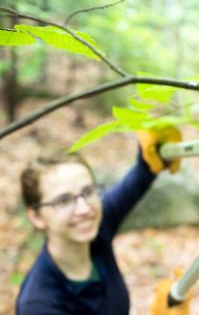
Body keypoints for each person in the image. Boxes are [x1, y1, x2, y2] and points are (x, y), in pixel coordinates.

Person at [15, 127, 183, 315]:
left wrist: (157, 148)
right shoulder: (39, 304)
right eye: (64, 200)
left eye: (87, 192)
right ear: (36, 217)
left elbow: (142, 173)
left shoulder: (96, 228)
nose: (84, 209)